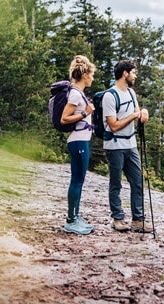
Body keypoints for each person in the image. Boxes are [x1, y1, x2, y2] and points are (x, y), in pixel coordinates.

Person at [102, 60, 153, 233]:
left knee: (137, 182)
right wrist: (134, 115)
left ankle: (138, 220)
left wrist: (143, 112)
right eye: (133, 72)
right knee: (116, 183)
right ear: (125, 74)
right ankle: (117, 219)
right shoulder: (110, 96)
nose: (135, 75)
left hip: (131, 145)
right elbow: (114, 125)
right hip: (114, 145)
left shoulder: (131, 93)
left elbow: (138, 113)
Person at [61, 55, 96, 235]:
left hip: (81, 140)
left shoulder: (78, 92)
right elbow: (64, 118)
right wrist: (84, 113)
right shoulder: (75, 93)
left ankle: (75, 216)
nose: (92, 78)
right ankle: (71, 220)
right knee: (77, 180)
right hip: (78, 141)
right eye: (91, 75)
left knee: (79, 180)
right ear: (84, 76)